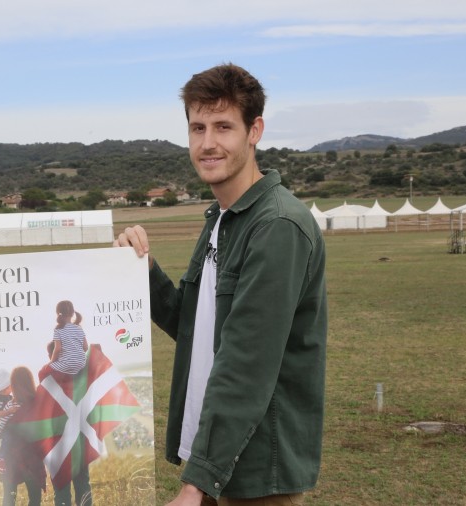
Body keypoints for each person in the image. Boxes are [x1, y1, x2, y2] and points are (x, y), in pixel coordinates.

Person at [114, 63, 328, 506]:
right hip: (215, 463)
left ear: (255, 131)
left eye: (224, 126)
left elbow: (246, 363)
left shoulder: (278, 226)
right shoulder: (222, 220)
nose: (207, 143)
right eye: (197, 127)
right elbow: (195, 328)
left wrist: (196, 484)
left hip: (252, 471)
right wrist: (145, 272)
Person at [0, 367, 46, 506]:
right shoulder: (38, 404)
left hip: (11, 457)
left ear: (14, 385)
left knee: (9, 499)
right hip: (33, 458)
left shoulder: (9, 406)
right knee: (35, 500)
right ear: (30, 382)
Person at [47, 300, 88, 377]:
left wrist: (52, 361)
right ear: (73, 313)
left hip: (67, 365)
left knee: (45, 370)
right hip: (81, 363)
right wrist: (76, 354)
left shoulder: (58, 330)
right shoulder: (79, 328)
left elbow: (58, 348)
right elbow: (86, 347)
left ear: (58, 313)